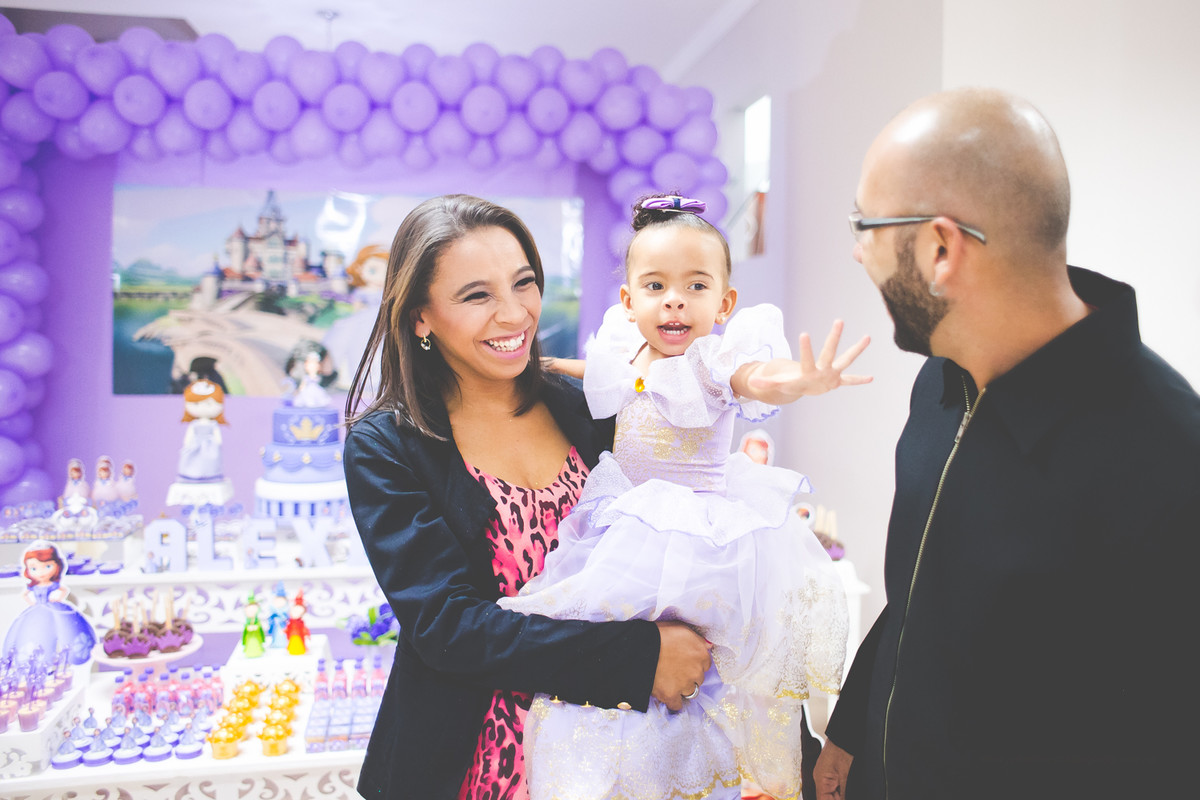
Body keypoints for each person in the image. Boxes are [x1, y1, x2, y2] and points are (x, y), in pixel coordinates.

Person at [814, 87, 1200, 799]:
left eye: (865, 225)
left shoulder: (1169, 461)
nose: (858, 252)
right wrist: (851, 728)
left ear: (941, 249)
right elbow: (920, 591)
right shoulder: (939, 380)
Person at [341, 194, 714, 800]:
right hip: (477, 759)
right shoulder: (387, 445)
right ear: (420, 317)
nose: (514, 314)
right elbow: (448, 627)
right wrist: (639, 659)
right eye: (477, 295)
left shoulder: (584, 406)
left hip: (611, 745)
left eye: (524, 283)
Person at [498, 193, 870, 800]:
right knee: (619, 647)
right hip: (628, 522)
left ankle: (698, 767)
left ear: (724, 304)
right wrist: (544, 366)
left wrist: (797, 381)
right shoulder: (624, 350)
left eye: (696, 286)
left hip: (699, 536)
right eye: (656, 285)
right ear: (629, 301)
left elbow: (756, 379)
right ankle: (629, 764)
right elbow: (604, 375)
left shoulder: (714, 362)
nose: (675, 300)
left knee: (708, 664)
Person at [1, 541, 96, 664]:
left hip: (53, 607)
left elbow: (64, 590)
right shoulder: (33, 587)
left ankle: (68, 657)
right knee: (33, 631)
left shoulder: (53, 584)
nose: (41, 572)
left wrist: (57, 599)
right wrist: (32, 603)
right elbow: (24, 595)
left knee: (65, 629)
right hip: (36, 609)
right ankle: (35, 660)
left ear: (57, 566)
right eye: (34, 568)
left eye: (47, 566)